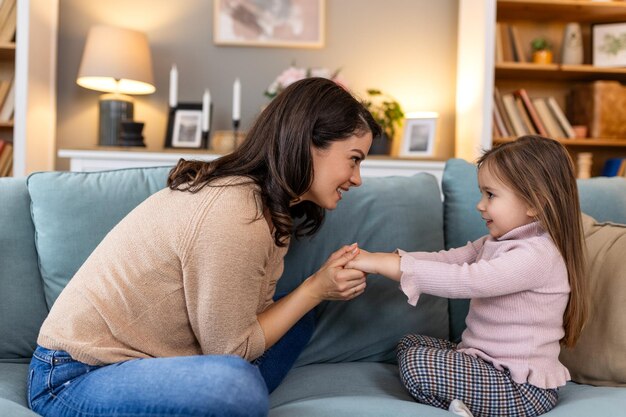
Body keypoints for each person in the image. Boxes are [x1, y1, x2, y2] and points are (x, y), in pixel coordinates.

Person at [28, 77, 381, 417]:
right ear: (309, 145)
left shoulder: (274, 209)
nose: (357, 178)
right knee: (235, 385)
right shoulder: (236, 211)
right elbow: (230, 352)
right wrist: (313, 289)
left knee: (298, 320)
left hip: (165, 362)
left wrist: (313, 293)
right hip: (76, 375)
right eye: (354, 159)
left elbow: (246, 325)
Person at [347, 135, 587, 417]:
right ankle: (464, 403)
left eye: (490, 195)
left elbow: (466, 279)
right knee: (409, 343)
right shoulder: (495, 242)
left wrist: (378, 264)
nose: (480, 205)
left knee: (416, 364)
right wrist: (382, 259)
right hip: (488, 365)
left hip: (521, 388)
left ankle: (464, 408)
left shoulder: (537, 255)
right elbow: (446, 259)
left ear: (534, 203)